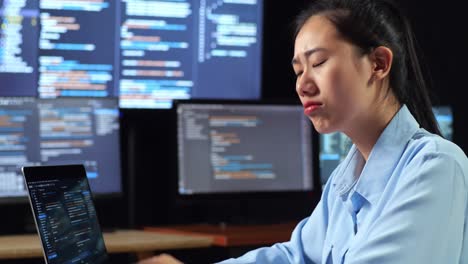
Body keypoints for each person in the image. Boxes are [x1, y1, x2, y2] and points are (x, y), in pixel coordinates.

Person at [139, 0, 468, 263]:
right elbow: (293, 255)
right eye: (298, 70)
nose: (302, 85)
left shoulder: (436, 167)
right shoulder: (345, 180)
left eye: (319, 62)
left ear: (379, 64)